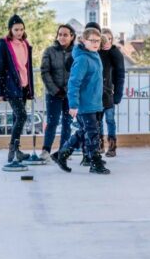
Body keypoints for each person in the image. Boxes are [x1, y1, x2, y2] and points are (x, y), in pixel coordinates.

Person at [50, 28, 109, 174]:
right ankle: (95, 162)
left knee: (84, 131)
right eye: (92, 41)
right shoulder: (83, 59)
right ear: (83, 40)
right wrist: (74, 104)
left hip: (94, 102)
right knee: (93, 133)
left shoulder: (94, 55)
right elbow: (74, 83)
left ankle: (61, 154)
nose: (95, 43)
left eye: (97, 41)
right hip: (84, 104)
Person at [0, 15, 35, 164]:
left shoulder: (25, 44)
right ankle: (12, 148)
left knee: (17, 118)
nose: (19, 32)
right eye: (16, 29)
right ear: (10, 29)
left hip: (23, 86)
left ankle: (17, 151)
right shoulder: (3, 45)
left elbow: (26, 68)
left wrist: (29, 87)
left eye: (21, 29)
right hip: (10, 87)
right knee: (22, 116)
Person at [40, 24, 75, 160]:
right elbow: (44, 72)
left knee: (67, 122)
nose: (62, 37)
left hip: (70, 94)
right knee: (52, 122)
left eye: (65, 35)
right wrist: (55, 90)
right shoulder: (49, 51)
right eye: (60, 34)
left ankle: (63, 151)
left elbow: (77, 73)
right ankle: (46, 150)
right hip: (53, 94)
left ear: (72, 37)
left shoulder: (76, 52)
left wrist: (66, 90)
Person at [96, 27, 126, 157]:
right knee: (98, 120)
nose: (106, 41)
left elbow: (120, 74)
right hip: (96, 93)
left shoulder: (114, 53)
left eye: (109, 38)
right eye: (103, 38)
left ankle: (112, 146)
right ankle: (99, 144)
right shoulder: (96, 52)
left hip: (109, 92)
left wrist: (118, 93)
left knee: (110, 119)